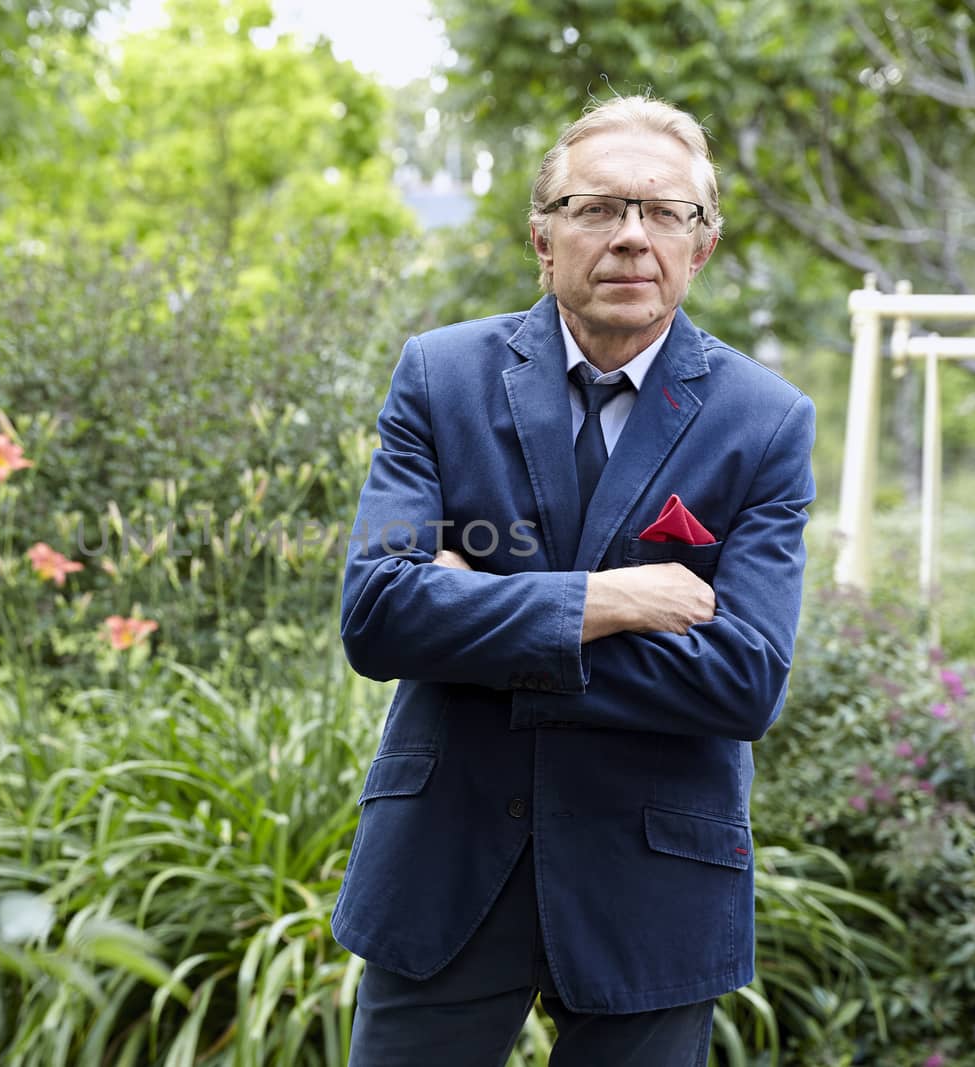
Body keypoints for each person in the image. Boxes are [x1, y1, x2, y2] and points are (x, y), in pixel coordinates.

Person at [332, 94, 817, 1066]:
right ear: (542, 238)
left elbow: (744, 678)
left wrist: (476, 615)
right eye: (597, 208)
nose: (631, 237)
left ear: (701, 247)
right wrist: (609, 602)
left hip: (654, 877)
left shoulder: (766, 421)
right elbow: (379, 614)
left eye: (664, 213)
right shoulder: (439, 377)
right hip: (445, 863)